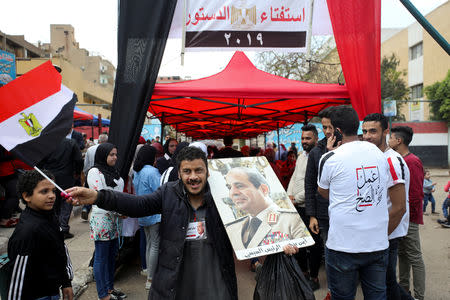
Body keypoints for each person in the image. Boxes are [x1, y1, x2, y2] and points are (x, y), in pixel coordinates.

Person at [67, 146, 238, 299]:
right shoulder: (168, 193)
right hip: (175, 284)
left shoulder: (224, 197)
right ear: (178, 173)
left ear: (207, 172)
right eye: (187, 171)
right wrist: (98, 196)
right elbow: (138, 204)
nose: (193, 177)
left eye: (198, 170)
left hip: (215, 285)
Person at [318, 106, 391, 300]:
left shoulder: (330, 158)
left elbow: (324, 191)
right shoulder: (379, 154)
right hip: (377, 243)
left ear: (338, 131)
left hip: (343, 246)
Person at [362, 113, 412, 300]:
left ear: (385, 132)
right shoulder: (375, 156)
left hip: (386, 236)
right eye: (365, 131)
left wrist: (380, 236)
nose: (367, 136)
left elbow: (399, 208)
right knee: (387, 282)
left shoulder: (390, 160)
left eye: (373, 131)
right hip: (380, 233)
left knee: (386, 285)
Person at [7, 169, 73, 299]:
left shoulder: (51, 217)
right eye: (44, 191)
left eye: (53, 191)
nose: (52, 196)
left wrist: (66, 282)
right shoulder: (27, 231)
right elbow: (17, 280)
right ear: (27, 196)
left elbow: (61, 250)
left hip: (53, 290)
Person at [224, 167, 305, 250]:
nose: (233, 193)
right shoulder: (232, 228)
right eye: (229, 187)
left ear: (263, 189)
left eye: (240, 186)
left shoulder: (291, 220)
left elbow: (303, 250)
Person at [389, 126, 426, 300]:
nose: (388, 141)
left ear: (399, 141)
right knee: (402, 255)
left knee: (414, 257)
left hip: (408, 217)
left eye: (391, 138)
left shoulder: (412, 161)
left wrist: (408, 217)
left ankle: (419, 296)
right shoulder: (398, 159)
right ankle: (404, 291)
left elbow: (417, 193)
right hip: (401, 218)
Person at [87, 143, 126, 300]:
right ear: (103, 155)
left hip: (115, 221)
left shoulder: (115, 172)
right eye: (111, 154)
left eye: (116, 154)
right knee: (101, 257)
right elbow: (100, 196)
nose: (115, 157)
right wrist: (119, 211)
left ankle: (109, 289)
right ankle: (102, 294)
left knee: (112, 256)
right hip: (102, 219)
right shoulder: (94, 172)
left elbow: (120, 196)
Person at [287, 124, 322, 291]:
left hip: (311, 209)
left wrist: (297, 198)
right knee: (299, 242)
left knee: (314, 244)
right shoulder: (301, 156)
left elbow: (314, 185)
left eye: (308, 138)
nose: (304, 141)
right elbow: (294, 177)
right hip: (297, 207)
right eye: (302, 138)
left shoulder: (319, 156)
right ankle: (304, 274)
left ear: (316, 138)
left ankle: (314, 277)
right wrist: (288, 195)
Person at [38, 137, 83, 239]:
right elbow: (79, 160)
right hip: (66, 177)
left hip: (51, 177)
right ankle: (62, 228)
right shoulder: (71, 142)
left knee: (54, 202)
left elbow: (39, 161)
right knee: (66, 202)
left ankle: (56, 227)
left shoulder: (47, 143)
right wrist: (77, 172)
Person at [305, 106, 335, 244]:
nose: (327, 131)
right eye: (324, 127)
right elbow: (310, 185)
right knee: (329, 251)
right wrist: (312, 215)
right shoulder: (316, 152)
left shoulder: (350, 147)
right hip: (324, 213)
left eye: (330, 127)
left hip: (348, 212)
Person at [133, 145, 161, 290]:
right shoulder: (152, 172)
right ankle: (151, 278)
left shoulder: (136, 171)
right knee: (154, 245)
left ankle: (149, 273)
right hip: (154, 213)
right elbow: (160, 190)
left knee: (149, 244)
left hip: (142, 213)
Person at [81, 133, 108, 220]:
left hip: (90, 173)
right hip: (103, 174)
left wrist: (85, 174)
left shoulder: (90, 149)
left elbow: (86, 164)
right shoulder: (108, 149)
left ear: (99, 140)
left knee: (89, 192)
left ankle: (86, 208)